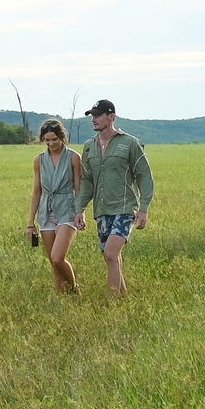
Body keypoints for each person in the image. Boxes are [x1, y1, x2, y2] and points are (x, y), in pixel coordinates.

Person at [73, 100, 154, 295]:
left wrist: (143, 209)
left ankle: (112, 302)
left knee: (110, 253)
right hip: (101, 210)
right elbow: (88, 181)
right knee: (111, 257)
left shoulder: (129, 143)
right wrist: (79, 209)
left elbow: (145, 176)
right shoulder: (89, 146)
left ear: (111, 117)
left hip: (124, 208)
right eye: (92, 115)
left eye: (98, 115)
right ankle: (124, 300)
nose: (94, 119)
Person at [27, 119, 82, 293]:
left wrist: (81, 212)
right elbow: (37, 191)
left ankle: (74, 289)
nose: (51, 143)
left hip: (67, 208)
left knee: (58, 258)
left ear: (62, 137)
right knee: (53, 262)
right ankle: (62, 297)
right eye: (47, 140)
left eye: (54, 139)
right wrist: (30, 223)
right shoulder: (39, 160)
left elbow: (79, 188)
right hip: (46, 210)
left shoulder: (73, 157)